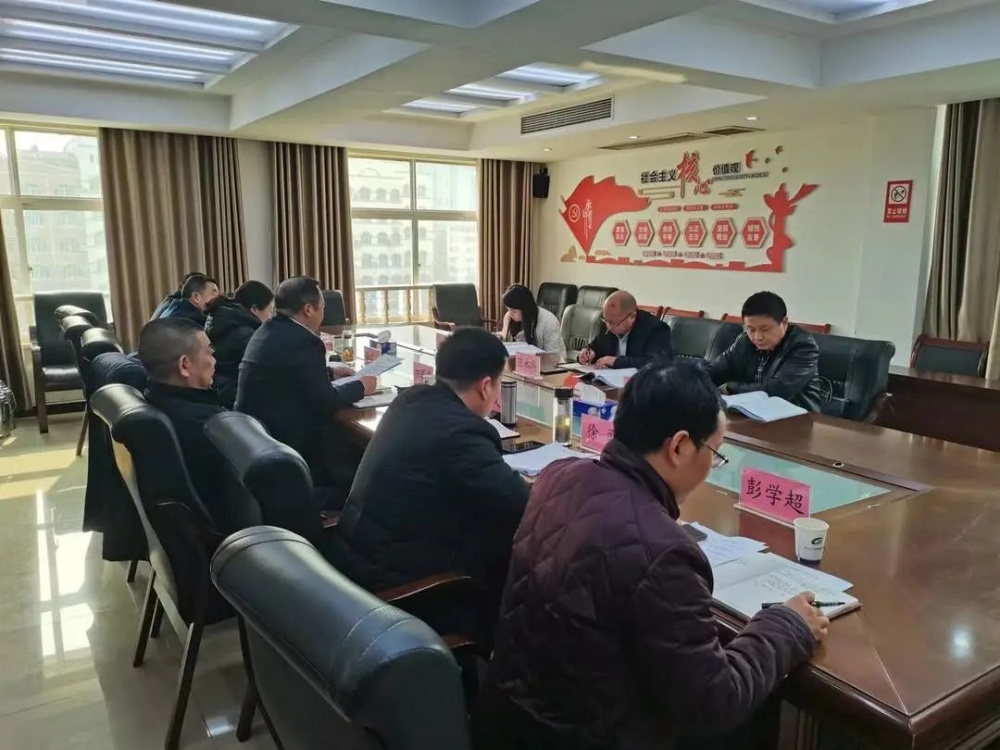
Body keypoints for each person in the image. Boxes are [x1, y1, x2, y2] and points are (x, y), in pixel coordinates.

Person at [475, 361, 826, 750]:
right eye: (715, 452)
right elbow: (716, 700)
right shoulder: (666, 553)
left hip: (508, 721)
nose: (712, 465)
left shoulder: (558, 476)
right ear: (679, 446)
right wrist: (787, 624)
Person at [330, 327, 530, 636]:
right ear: (485, 386)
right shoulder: (462, 433)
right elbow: (521, 503)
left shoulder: (411, 399)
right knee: (518, 552)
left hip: (353, 558)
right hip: (396, 587)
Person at [235, 276, 376, 498]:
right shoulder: (304, 341)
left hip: (259, 437)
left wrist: (330, 372)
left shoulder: (267, 330)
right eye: (323, 307)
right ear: (308, 309)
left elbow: (289, 373)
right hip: (289, 445)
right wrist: (361, 386)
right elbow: (325, 402)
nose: (324, 312)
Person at [137, 318, 226, 519]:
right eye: (209, 352)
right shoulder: (210, 427)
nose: (214, 361)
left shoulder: (153, 399)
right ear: (185, 365)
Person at [707, 291, 827, 411]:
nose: (757, 337)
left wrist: (731, 387)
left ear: (784, 322)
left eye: (765, 329)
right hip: (752, 411)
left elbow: (778, 390)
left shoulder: (803, 346)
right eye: (751, 329)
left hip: (795, 415)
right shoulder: (744, 342)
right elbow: (715, 371)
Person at [205, 280, 274, 408]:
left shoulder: (222, 319)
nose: (271, 317)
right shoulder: (245, 334)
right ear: (254, 309)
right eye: (269, 310)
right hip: (234, 397)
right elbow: (261, 375)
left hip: (218, 392)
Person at [579, 290, 673, 369]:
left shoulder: (656, 329)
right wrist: (588, 353)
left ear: (632, 317)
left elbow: (654, 364)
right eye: (605, 320)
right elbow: (596, 346)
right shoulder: (609, 321)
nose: (608, 327)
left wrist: (616, 361)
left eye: (612, 323)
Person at [501, 284, 567, 360]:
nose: (510, 314)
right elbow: (504, 338)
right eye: (508, 309)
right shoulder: (510, 317)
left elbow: (553, 356)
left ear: (526, 309)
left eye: (514, 311)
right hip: (523, 361)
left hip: (551, 363)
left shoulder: (549, 322)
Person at [151, 273, 220, 326]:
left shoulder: (174, 306)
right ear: (196, 297)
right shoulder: (193, 319)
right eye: (213, 293)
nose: (218, 297)